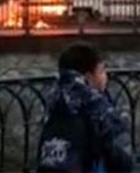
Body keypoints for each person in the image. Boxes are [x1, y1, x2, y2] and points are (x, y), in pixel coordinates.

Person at [37, 43, 134, 173]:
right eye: (102, 70)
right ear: (89, 76)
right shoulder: (95, 103)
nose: (106, 76)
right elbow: (122, 155)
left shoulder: (53, 97)